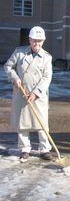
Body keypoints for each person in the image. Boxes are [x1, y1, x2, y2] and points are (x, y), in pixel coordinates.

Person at [4, 26, 53, 162]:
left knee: (42, 123)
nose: (36, 44)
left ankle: (44, 149)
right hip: (22, 93)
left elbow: (47, 77)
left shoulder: (47, 57)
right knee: (22, 122)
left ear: (43, 41)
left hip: (39, 96)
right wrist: (14, 78)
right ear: (29, 40)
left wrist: (36, 93)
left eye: (39, 41)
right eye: (34, 41)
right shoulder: (19, 53)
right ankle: (25, 148)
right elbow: (8, 66)